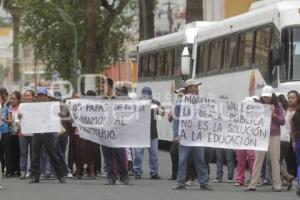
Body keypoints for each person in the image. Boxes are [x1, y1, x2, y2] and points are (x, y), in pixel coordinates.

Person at [172, 79, 212, 190]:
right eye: (195, 86)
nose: (197, 88)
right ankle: (181, 182)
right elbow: (176, 119)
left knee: (200, 160)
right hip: (184, 136)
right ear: (189, 88)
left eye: (197, 86)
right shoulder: (180, 102)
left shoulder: (202, 101)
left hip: (198, 137)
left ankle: (203, 183)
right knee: (183, 159)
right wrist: (176, 134)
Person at [247, 85, 285, 192]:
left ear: (272, 95)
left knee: (274, 160)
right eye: (264, 96)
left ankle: (277, 184)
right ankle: (252, 184)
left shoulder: (278, 105)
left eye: (268, 96)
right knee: (258, 159)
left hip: (274, 135)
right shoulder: (258, 105)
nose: (266, 98)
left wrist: (274, 114)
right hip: (261, 134)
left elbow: (282, 121)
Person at [26, 87, 66, 183]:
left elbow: (60, 115)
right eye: (39, 95)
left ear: (47, 97)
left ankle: (60, 175)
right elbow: (27, 117)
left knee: (54, 155)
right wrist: (22, 116)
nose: (40, 97)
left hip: (49, 133)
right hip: (37, 133)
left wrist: (60, 114)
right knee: (35, 156)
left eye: (42, 95)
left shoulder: (53, 106)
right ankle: (35, 177)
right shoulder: (33, 107)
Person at [101, 78, 130, 185]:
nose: (102, 88)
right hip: (104, 132)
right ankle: (110, 176)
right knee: (107, 155)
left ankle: (124, 176)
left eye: (103, 86)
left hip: (117, 132)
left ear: (109, 86)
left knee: (119, 154)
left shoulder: (118, 99)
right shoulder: (101, 100)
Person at [134, 86, 164, 180]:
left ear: (151, 95)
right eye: (143, 94)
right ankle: (137, 171)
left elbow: (162, 113)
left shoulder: (155, 103)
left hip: (152, 133)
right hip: (140, 133)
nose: (145, 96)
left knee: (154, 154)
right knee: (138, 154)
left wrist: (158, 110)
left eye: (147, 94)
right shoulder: (137, 103)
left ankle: (154, 172)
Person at [19, 90, 34, 179]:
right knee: (23, 153)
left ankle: (32, 171)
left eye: (28, 95)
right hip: (23, 133)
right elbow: (17, 119)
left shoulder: (37, 107)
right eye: (25, 96)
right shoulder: (21, 106)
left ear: (33, 97)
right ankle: (23, 171)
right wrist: (19, 117)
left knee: (34, 153)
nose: (27, 97)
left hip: (33, 134)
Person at [0, 92, 13, 177]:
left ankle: (9, 171)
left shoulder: (7, 109)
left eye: (0, 99)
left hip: (5, 132)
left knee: (7, 152)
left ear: (3, 100)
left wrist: (3, 119)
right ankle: (2, 169)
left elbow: (10, 121)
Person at [291, 91, 300, 196]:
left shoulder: (295, 114)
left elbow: (292, 130)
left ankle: (299, 184)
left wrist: (293, 141)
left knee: (299, 164)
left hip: (298, 140)